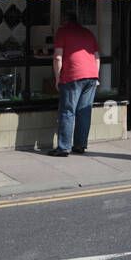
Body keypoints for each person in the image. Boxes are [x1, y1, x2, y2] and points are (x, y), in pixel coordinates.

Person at [50, 8, 100, 157]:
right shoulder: (88, 33)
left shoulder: (62, 32)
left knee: (67, 111)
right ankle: (79, 145)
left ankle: (64, 148)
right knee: (84, 111)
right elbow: (97, 57)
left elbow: (58, 57)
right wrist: (96, 76)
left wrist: (58, 79)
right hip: (91, 76)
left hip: (73, 76)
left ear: (65, 19)